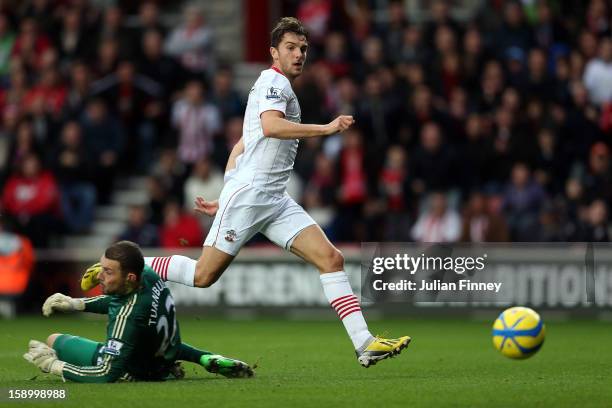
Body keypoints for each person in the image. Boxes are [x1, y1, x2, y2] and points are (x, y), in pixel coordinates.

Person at [83, 17, 410, 368]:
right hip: (254, 195)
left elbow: (243, 142)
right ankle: (132, 263)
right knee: (202, 276)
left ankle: (364, 343)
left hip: (273, 199)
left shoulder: (276, 86)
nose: (299, 54)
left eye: (303, 48)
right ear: (273, 52)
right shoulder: (274, 82)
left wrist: (225, 194)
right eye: (290, 47)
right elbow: (269, 127)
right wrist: (326, 128)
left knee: (331, 259)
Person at [23, 241, 253, 382]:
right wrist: (77, 304)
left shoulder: (127, 316)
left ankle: (145, 373)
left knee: (53, 340)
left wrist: (54, 366)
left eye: (108, 272)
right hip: (166, 350)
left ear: (130, 277)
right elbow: (118, 299)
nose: (100, 276)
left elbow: (106, 374)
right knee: (152, 338)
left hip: (141, 368)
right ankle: (202, 357)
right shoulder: (150, 276)